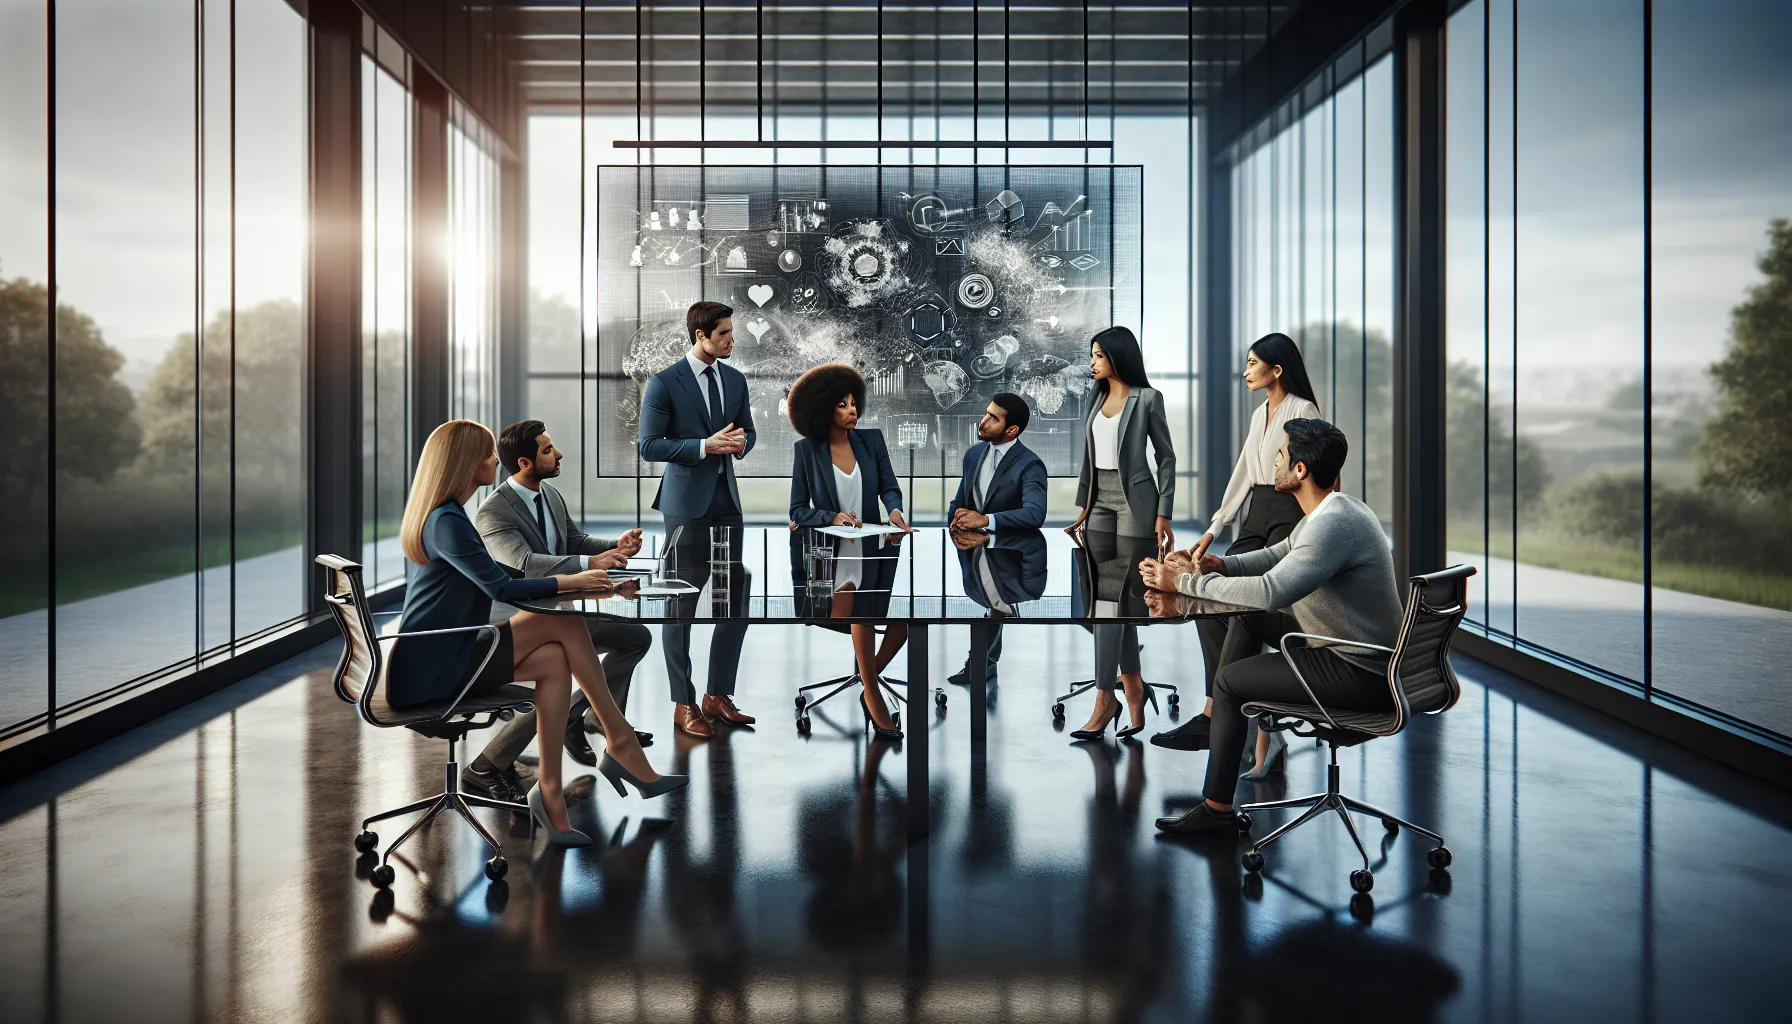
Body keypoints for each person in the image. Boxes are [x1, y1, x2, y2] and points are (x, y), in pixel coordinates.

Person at [390, 420, 684, 848]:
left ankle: (550, 795)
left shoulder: (448, 517)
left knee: (555, 662)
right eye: (488, 453)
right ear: (464, 463)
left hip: (447, 651)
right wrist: (571, 582)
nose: (496, 460)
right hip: (431, 666)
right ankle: (620, 742)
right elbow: (501, 587)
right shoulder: (448, 521)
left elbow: (500, 572)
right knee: (562, 623)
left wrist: (586, 576)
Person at [1141, 418, 1403, 837]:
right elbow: (1276, 555)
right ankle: (1222, 724)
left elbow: (1271, 590)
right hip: (1348, 652)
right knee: (1245, 617)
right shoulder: (1336, 509)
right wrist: (1219, 565)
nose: (1274, 463)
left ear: (1300, 469)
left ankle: (1217, 811)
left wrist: (1184, 583)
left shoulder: (1332, 525)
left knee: (1229, 682)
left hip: (1358, 670)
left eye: (1280, 456)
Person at [464, 418, 654, 801]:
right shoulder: (492, 513)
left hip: (562, 613)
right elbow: (525, 564)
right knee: (561, 670)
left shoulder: (549, 495)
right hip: (521, 620)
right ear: (525, 463)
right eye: (548, 450)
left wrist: (614, 547)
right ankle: (489, 762)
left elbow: (574, 541)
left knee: (636, 637)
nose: (559, 454)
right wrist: (590, 565)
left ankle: (589, 717)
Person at [1153, 331, 1322, 758]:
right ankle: (1240, 713)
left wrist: (1316, 526)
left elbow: (1320, 471)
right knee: (1209, 598)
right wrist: (1213, 529)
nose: (1245, 371)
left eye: (1252, 363)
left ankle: (1227, 718)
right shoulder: (1259, 413)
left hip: (1289, 513)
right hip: (1256, 513)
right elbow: (1244, 472)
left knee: (1251, 605)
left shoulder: (1304, 410)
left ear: (1276, 370)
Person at [638, 301, 759, 739]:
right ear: (700, 336)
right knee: (680, 601)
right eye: (723, 333)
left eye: (731, 332)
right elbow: (649, 445)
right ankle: (683, 702)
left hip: (728, 501)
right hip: (685, 505)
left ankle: (717, 695)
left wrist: (740, 442)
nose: (731, 340)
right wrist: (704, 446)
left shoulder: (735, 379)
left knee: (734, 595)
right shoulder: (665, 382)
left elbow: (748, 431)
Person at [787, 363, 912, 739]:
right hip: (831, 555)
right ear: (824, 410)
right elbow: (797, 510)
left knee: (902, 626)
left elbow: (889, 487)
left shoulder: (871, 441)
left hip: (871, 548)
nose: (852, 410)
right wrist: (832, 516)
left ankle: (867, 677)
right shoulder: (806, 451)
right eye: (842, 404)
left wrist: (894, 512)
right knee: (858, 610)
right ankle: (872, 695)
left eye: (854, 402)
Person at [1064, 326, 1176, 741]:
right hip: (1099, 503)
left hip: (1136, 505)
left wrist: (1164, 513)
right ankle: (1133, 689)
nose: (1092, 362)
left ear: (1117, 356)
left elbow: (1166, 458)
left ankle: (1103, 699)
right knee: (1107, 602)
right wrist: (1082, 508)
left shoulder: (1147, 399)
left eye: (1098, 355)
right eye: (1091, 355)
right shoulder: (1095, 398)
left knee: (1112, 604)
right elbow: (1088, 459)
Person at [945, 392, 1049, 686]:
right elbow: (960, 500)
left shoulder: (1030, 464)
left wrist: (986, 520)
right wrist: (955, 521)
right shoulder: (973, 455)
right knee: (994, 604)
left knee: (998, 603)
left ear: (1011, 430)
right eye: (986, 413)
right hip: (974, 556)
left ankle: (981, 663)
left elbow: (1035, 513)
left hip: (1011, 554)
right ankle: (984, 663)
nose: (984, 421)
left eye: (993, 418)